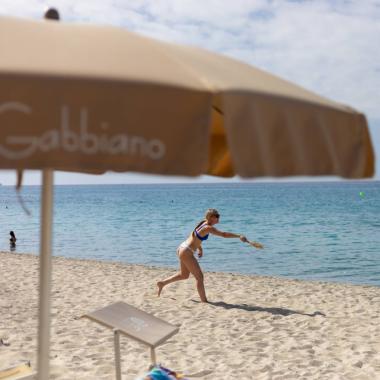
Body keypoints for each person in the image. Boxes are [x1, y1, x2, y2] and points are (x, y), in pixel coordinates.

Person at [157, 209, 248, 303]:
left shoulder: (203, 223)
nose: (218, 218)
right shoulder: (208, 227)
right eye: (217, 216)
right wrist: (239, 236)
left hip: (182, 247)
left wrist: (200, 249)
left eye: (218, 215)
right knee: (199, 277)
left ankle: (162, 283)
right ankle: (204, 301)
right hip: (186, 251)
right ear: (211, 217)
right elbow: (224, 234)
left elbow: (195, 237)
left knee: (184, 275)